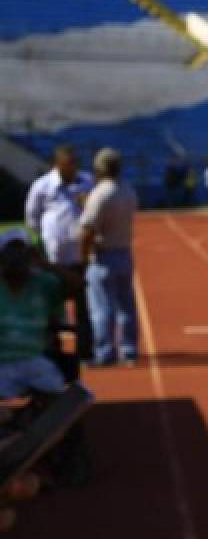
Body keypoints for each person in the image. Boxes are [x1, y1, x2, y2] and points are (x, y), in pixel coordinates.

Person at [24, 145, 94, 362]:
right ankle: (54, 350)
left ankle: (85, 351)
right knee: (53, 308)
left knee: (83, 307)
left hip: (78, 257)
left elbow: (95, 213)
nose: (73, 169)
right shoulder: (42, 186)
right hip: (52, 261)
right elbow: (32, 219)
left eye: (75, 164)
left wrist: (87, 202)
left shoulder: (87, 182)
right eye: (68, 166)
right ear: (57, 165)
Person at [79, 148, 139, 367]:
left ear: (99, 169)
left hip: (104, 255)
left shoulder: (99, 193)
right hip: (124, 251)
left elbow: (88, 228)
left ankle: (104, 352)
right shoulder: (128, 190)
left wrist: (83, 257)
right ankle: (129, 348)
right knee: (126, 304)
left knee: (102, 307)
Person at [0, 229, 67, 398]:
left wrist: (43, 264)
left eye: (21, 251)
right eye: (11, 252)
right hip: (2, 363)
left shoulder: (45, 283)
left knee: (65, 399)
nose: (16, 257)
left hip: (34, 361)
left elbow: (78, 284)